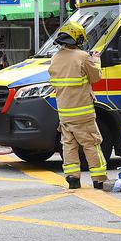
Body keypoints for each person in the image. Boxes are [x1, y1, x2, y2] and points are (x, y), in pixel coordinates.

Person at [47, 21, 105, 190]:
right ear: (77, 39)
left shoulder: (55, 58)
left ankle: (72, 178)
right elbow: (96, 77)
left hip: (64, 113)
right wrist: (96, 60)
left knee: (69, 144)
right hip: (83, 113)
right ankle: (99, 178)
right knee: (91, 143)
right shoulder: (83, 57)